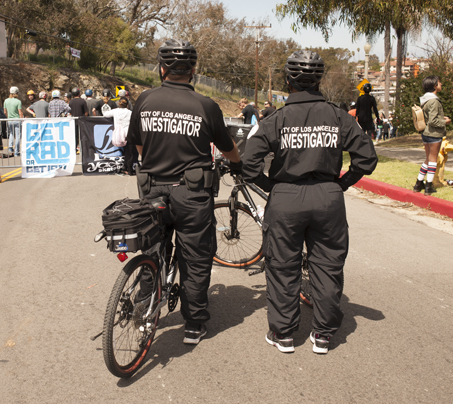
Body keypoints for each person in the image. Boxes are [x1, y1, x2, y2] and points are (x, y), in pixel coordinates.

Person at [242, 50, 377, 354]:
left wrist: (273, 187)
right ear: (319, 80)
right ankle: (324, 335)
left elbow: (249, 165)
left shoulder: (276, 118)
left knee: (282, 266)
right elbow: (367, 159)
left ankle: (284, 334)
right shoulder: (338, 115)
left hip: (286, 197)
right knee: (328, 265)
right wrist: (340, 183)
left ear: (288, 80)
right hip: (327, 197)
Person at [128, 39, 242, 345]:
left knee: (152, 250)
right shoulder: (206, 105)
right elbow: (228, 148)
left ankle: (144, 305)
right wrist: (238, 163)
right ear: (193, 70)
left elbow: (138, 145)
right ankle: (193, 325)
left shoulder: (144, 100)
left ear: (161, 68)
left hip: (152, 190)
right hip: (192, 195)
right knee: (195, 257)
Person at [412, 75, 451, 195]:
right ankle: (428, 186)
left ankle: (419, 184)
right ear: (434, 85)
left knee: (428, 159)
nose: (441, 84)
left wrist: (440, 118)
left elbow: (429, 117)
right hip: (434, 133)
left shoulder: (425, 100)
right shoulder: (434, 101)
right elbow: (433, 121)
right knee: (433, 159)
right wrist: (445, 121)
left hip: (425, 132)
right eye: (439, 82)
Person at [103, 98, 134, 174]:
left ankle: (122, 167)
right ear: (127, 105)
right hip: (127, 133)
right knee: (129, 152)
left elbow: (105, 114)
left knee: (120, 151)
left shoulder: (115, 111)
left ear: (119, 104)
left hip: (118, 134)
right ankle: (129, 169)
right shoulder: (130, 112)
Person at [4, 86, 24, 156]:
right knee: (18, 136)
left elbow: (5, 112)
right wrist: (22, 120)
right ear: (17, 93)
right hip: (17, 119)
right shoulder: (18, 101)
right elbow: (20, 112)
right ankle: (16, 151)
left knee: (11, 134)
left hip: (10, 120)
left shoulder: (6, 101)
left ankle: (10, 147)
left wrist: (8, 117)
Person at [69, 88, 89, 154]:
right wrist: (84, 117)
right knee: (82, 136)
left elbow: (70, 112)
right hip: (81, 121)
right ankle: (83, 149)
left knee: (74, 136)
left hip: (73, 122)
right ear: (79, 93)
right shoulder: (82, 101)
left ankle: (74, 149)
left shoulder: (71, 102)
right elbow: (86, 112)